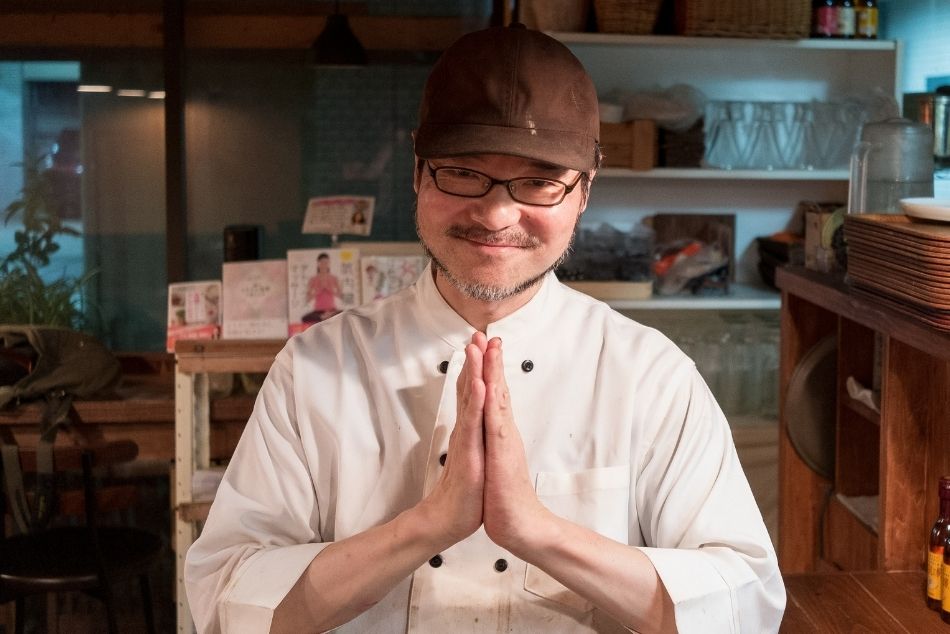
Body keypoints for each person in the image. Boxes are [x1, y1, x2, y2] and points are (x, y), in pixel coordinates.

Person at [185, 24, 785, 633]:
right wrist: (428, 525)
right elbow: (226, 598)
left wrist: (536, 529)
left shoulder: (650, 374)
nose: (497, 214)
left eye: (539, 181)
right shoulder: (317, 365)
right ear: (418, 172)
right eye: (465, 173)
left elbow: (746, 606)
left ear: (584, 190)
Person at [301, 252, 341, 323]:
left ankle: (327, 316)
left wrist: (330, 290)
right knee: (304, 318)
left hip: (332, 310)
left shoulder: (334, 278)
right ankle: (323, 317)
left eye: (326, 263)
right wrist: (318, 291)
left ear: (329, 264)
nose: (324, 265)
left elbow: (341, 295)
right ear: (318, 263)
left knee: (342, 314)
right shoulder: (313, 279)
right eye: (322, 262)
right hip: (318, 311)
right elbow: (307, 299)